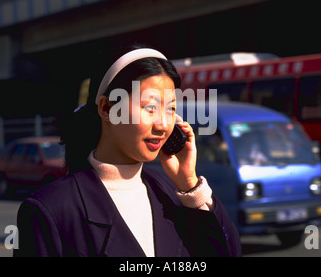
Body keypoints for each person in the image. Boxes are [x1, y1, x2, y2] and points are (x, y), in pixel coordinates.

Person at [13, 44, 241, 257]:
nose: (162, 124)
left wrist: (190, 184)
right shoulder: (50, 211)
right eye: (149, 107)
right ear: (106, 108)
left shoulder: (173, 193)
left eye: (171, 108)